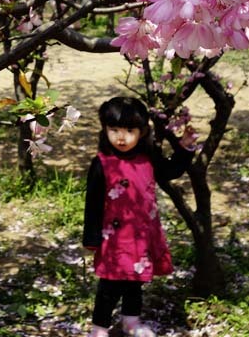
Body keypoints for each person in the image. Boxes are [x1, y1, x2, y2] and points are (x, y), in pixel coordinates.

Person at [82, 96, 198, 337]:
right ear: (105, 130)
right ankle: (99, 327)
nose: (121, 137)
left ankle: (131, 322)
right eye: (114, 130)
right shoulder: (102, 163)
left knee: (135, 280)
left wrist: (185, 148)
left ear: (142, 131)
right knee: (109, 284)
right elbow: (92, 203)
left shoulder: (148, 158)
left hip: (141, 235)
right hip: (113, 237)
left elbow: (171, 170)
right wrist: (91, 239)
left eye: (129, 131)